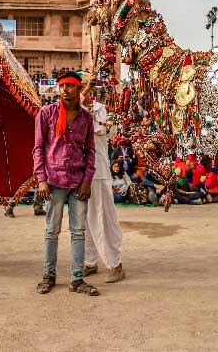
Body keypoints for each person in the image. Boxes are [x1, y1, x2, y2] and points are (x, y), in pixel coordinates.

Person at [33, 70, 98, 296]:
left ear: (78, 89)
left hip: (78, 182)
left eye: (70, 86)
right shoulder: (45, 114)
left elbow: (90, 152)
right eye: (62, 86)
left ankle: (77, 279)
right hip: (54, 182)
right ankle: (48, 276)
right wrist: (41, 179)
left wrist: (87, 181)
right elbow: (38, 149)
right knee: (52, 231)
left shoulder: (86, 118)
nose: (65, 90)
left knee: (78, 232)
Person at [81, 74, 125, 283]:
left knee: (103, 219)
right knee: (83, 221)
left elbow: (109, 132)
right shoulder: (71, 109)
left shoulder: (100, 109)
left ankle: (115, 263)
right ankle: (90, 261)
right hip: (79, 174)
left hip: (98, 172)